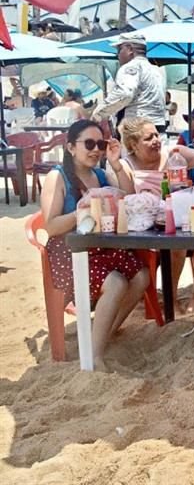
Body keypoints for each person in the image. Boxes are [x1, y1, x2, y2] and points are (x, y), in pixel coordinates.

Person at [39, 119, 150, 371]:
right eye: (88, 143)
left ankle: (100, 336)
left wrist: (115, 164)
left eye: (99, 144)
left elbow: (129, 198)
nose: (95, 149)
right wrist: (83, 211)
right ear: (70, 147)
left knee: (142, 276)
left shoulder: (100, 174)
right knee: (116, 282)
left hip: (100, 247)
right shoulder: (57, 177)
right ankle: (95, 357)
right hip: (69, 251)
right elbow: (51, 226)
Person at [113, 117, 194, 312]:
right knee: (179, 240)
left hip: (178, 222)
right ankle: (168, 300)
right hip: (146, 230)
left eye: (157, 134)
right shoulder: (125, 166)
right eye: (149, 138)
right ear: (133, 144)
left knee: (193, 234)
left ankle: (189, 296)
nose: (156, 140)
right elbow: (128, 200)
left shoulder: (174, 155)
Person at [92, 33, 167, 132]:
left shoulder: (131, 67)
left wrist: (98, 113)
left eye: (119, 49)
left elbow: (125, 93)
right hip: (158, 130)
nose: (117, 55)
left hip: (138, 130)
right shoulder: (157, 70)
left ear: (130, 49)